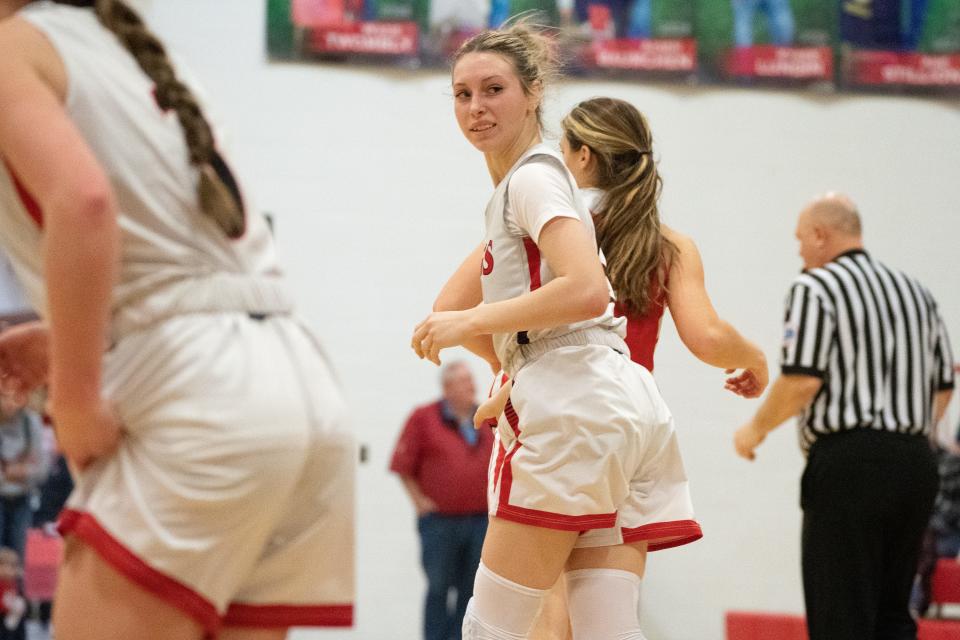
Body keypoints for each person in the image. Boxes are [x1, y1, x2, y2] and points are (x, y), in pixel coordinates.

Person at [0, 2, 355, 639]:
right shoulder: (133, 55)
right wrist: (74, 339)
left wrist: (76, 399)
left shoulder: (13, 50)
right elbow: (183, 266)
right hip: (295, 389)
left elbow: (83, 203)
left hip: (198, 404)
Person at [412, 23, 767, 639]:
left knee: (502, 629)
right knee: (604, 631)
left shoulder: (533, 181)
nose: (475, 107)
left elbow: (583, 291)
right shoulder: (639, 227)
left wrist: (476, 327)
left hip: (570, 406)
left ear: (533, 94)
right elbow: (703, 335)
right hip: (627, 405)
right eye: (461, 94)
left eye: (492, 89)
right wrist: (513, 363)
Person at [734, 194, 955, 640]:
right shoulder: (917, 292)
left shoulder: (814, 287)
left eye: (800, 239)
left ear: (820, 235)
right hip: (915, 463)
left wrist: (753, 430)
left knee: (840, 614)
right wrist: (904, 437)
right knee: (894, 614)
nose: (798, 251)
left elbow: (802, 381)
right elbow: (943, 387)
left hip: (849, 464)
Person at [390, 360, 493, 640]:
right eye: (464, 381)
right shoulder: (423, 418)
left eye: (471, 380)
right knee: (438, 588)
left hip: (480, 522)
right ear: (447, 387)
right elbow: (402, 465)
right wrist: (418, 501)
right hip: (439, 524)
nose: (473, 386)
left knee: (470, 590)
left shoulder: (485, 416)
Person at [0, 395, 47, 559]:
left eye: (15, 397)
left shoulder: (31, 422)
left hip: (22, 498)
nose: (10, 403)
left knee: (17, 559)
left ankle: (17, 584)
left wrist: (9, 471)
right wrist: (18, 470)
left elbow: (42, 469)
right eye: (5, 396)